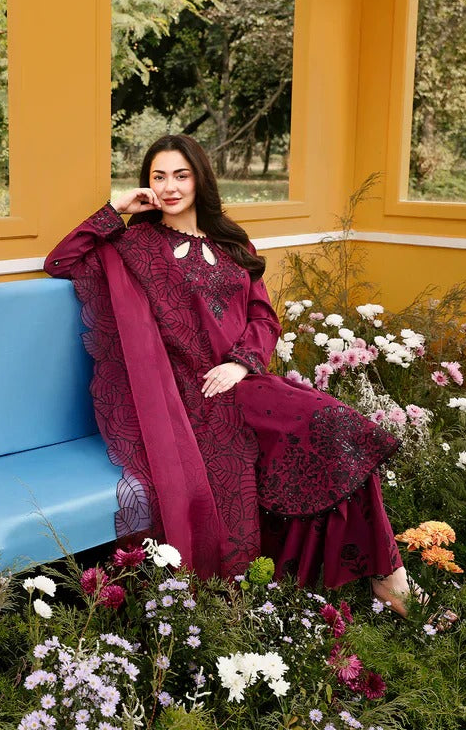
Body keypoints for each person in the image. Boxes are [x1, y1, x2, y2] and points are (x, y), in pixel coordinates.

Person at [44, 134, 417, 614]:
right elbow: (61, 261)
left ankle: (383, 575)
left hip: (242, 379)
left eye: (181, 174)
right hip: (183, 393)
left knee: (340, 429)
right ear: (146, 183)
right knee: (329, 430)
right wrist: (116, 209)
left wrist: (240, 363)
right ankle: (387, 582)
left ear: (200, 177)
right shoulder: (135, 243)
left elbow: (264, 318)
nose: (171, 186)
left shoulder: (233, 241)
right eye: (159, 176)